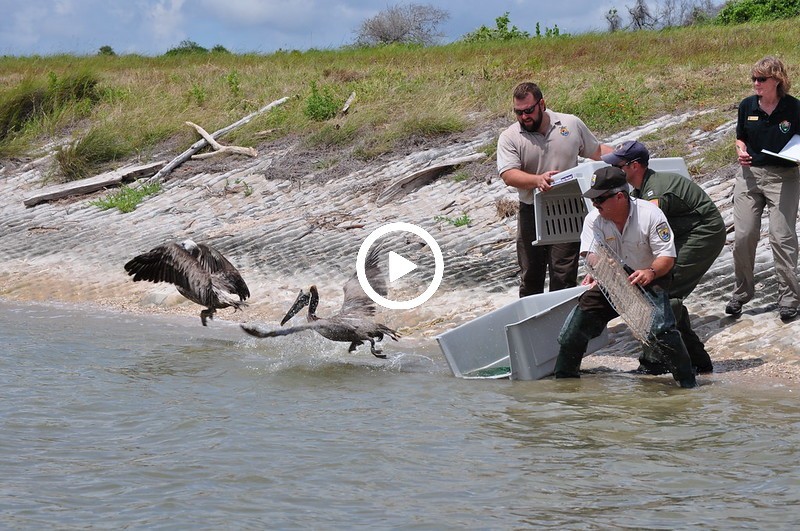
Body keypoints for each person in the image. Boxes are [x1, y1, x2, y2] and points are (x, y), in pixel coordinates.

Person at [553, 166, 697, 388]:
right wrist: (599, 266)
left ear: (619, 196)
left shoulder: (650, 214)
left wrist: (650, 271)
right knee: (572, 331)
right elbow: (589, 253)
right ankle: (565, 386)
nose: (595, 204)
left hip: (649, 276)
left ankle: (688, 385)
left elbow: (667, 258)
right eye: (593, 199)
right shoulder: (594, 220)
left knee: (662, 331)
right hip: (611, 280)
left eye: (600, 199)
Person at [602, 140, 725, 374]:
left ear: (635, 166)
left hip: (702, 234)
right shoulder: (640, 189)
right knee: (665, 295)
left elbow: (642, 233)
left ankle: (654, 362)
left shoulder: (654, 193)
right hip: (681, 235)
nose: (616, 171)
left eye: (619, 166)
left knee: (661, 292)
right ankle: (696, 360)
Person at [497, 82, 614, 297]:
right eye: (518, 112)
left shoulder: (570, 124)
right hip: (531, 210)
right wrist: (536, 180)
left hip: (568, 209)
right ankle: (532, 324)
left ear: (542, 104)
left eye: (529, 110)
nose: (524, 117)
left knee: (563, 273)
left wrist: (626, 158)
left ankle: (562, 323)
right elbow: (508, 174)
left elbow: (596, 151)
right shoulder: (510, 136)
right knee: (531, 273)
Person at [728, 56, 800, 321]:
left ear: (777, 80)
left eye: (761, 79)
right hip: (750, 176)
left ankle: (789, 298)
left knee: (782, 238)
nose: (756, 83)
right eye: (754, 79)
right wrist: (741, 150)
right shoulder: (747, 105)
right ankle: (741, 293)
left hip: (784, 176)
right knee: (744, 235)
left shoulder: (794, 108)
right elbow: (740, 137)